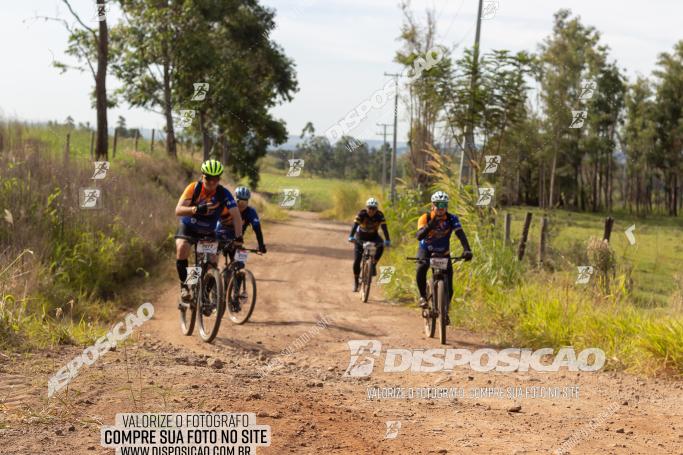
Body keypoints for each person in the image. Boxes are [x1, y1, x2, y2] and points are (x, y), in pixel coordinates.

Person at [175, 159, 243, 303]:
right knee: (182, 248)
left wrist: (239, 237)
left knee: (212, 262)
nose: (212, 183)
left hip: (208, 231)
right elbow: (178, 210)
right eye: (208, 179)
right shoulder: (194, 188)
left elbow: (236, 216)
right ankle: (185, 286)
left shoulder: (223, 194)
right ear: (202, 176)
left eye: (216, 179)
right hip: (189, 227)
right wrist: (195, 209)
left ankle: (204, 297)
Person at [415, 191, 473, 324]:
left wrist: (467, 249)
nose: (441, 208)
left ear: (447, 207)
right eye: (438, 205)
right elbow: (419, 236)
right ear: (432, 206)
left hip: (443, 252)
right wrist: (431, 225)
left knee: (449, 288)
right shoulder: (426, 217)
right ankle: (423, 296)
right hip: (426, 250)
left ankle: (445, 311)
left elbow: (460, 234)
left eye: (444, 205)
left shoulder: (452, 219)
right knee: (421, 267)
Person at [348, 197, 391, 292]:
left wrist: (387, 240)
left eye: (374, 208)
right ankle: (356, 283)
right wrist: (351, 236)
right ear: (366, 208)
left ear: (377, 209)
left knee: (381, 246)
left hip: (373, 236)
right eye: (369, 208)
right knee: (357, 261)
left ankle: (373, 264)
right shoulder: (361, 214)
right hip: (360, 237)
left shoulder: (380, 215)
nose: (371, 210)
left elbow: (384, 228)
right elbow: (355, 226)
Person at [216, 186, 267, 257]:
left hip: (236, 240)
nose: (242, 204)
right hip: (219, 236)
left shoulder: (250, 212)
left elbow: (257, 229)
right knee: (212, 259)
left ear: (248, 201)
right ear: (234, 199)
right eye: (239, 201)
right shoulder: (225, 207)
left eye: (245, 201)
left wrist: (261, 245)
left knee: (240, 261)